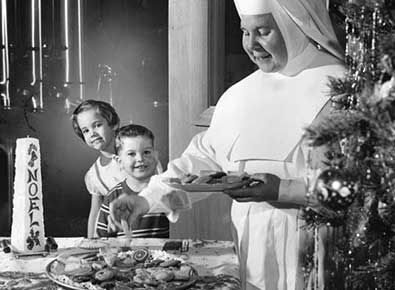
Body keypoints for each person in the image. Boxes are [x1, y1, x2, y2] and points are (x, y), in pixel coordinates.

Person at [109, 0, 346, 289]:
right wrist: (145, 199)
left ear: (294, 26)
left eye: (263, 31)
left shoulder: (338, 87)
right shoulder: (238, 95)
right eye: (245, 32)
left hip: (313, 249)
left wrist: (281, 189)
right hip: (249, 250)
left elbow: (353, 184)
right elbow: (199, 164)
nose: (252, 45)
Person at [96, 124, 169, 238]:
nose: (140, 159)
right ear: (119, 162)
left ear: (155, 155)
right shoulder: (113, 198)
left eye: (146, 152)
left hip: (165, 255)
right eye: (131, 154)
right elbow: (101, 238)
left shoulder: (166, 190)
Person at [72, 100, 125, 238]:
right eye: (86, 130)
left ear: (113, 124)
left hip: (147, 226)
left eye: (97, 125)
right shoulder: (94, 174)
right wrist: (92, 241)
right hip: (117, 235)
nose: (92, 133)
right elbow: (96, 211)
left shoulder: (137, 156)